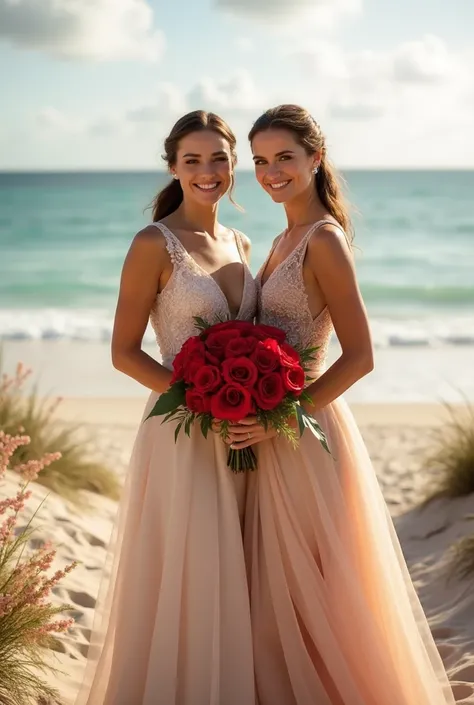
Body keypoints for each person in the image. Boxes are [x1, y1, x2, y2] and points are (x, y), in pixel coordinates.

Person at [225, 104, 455, 705]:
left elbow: (360, 356)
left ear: (315, 158)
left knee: (310, 587)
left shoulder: (323, 240)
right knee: (276, 587)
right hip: (268, 428)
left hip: (304, 431)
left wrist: (283, 420)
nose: (272, 172)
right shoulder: (282, 236)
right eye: (261, 162)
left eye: (285, 158)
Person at [76, 110, 257, 705]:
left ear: (234, 164)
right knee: (192, 571)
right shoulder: (154, 242)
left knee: (241, 568)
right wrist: (197, 400)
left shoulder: (241, 242)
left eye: (219, 159)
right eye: (193, 160)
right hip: (182, 427)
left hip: (244, 431)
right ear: (173, 168)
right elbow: (124, 352)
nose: (208, 172)